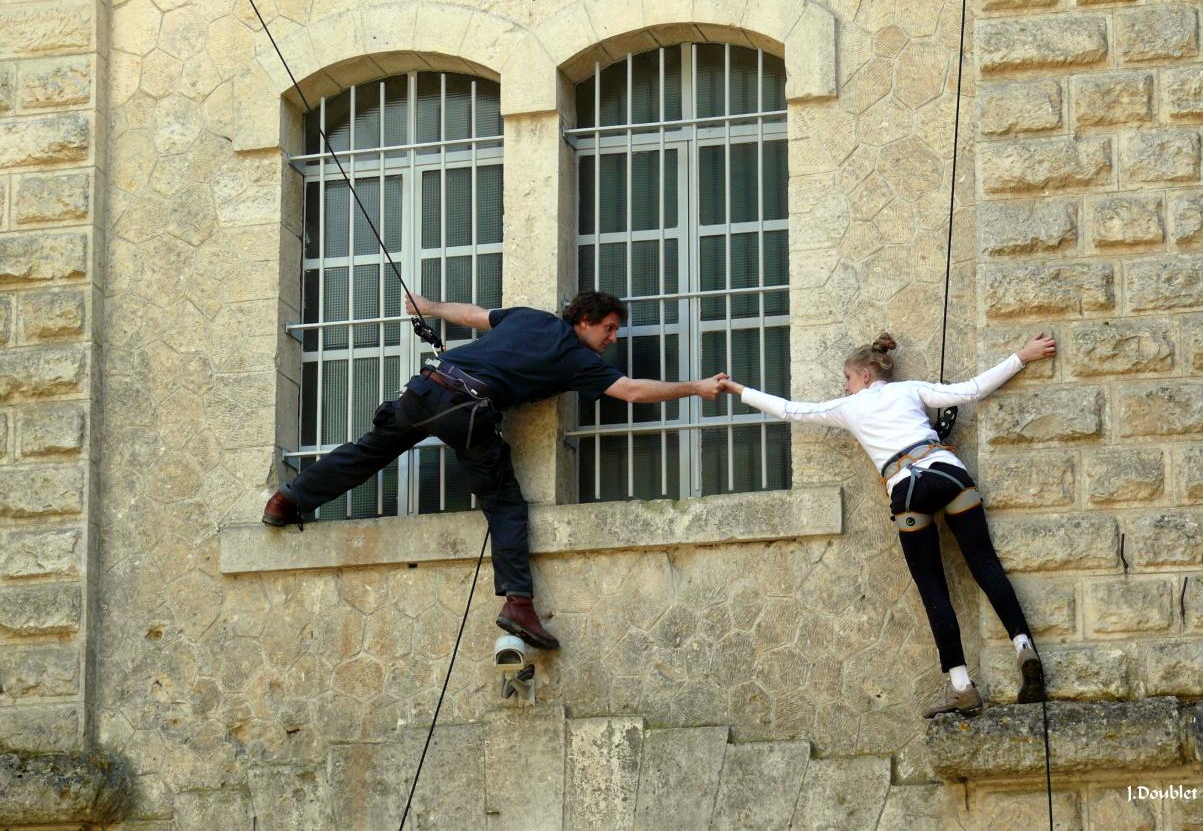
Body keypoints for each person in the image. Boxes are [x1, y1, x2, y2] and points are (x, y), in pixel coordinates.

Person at [264, 290, 726, 650]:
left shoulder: (530, 317)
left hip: (426, 390)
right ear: (584, 321)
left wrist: (430, 306)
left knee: (368, 451)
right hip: (467, 410)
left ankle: (288, 500)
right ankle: (519, 605)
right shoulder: (577, 359)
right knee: (505, 506)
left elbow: (472, 315)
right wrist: (696, 387)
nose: (612, 340)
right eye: (608, 329)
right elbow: (631, 392)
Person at [719, 332, 1057, 717]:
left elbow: (791, 410)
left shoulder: (849, 407)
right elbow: (972, 390)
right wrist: (1023, 355)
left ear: (864, 376)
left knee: (934, 590)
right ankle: (1022, 645)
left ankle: (962, 686)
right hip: (948, 474)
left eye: (846, 378)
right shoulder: (910, 390)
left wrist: (738, 388)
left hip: (907, 490)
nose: (843, 386)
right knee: (984, 565)